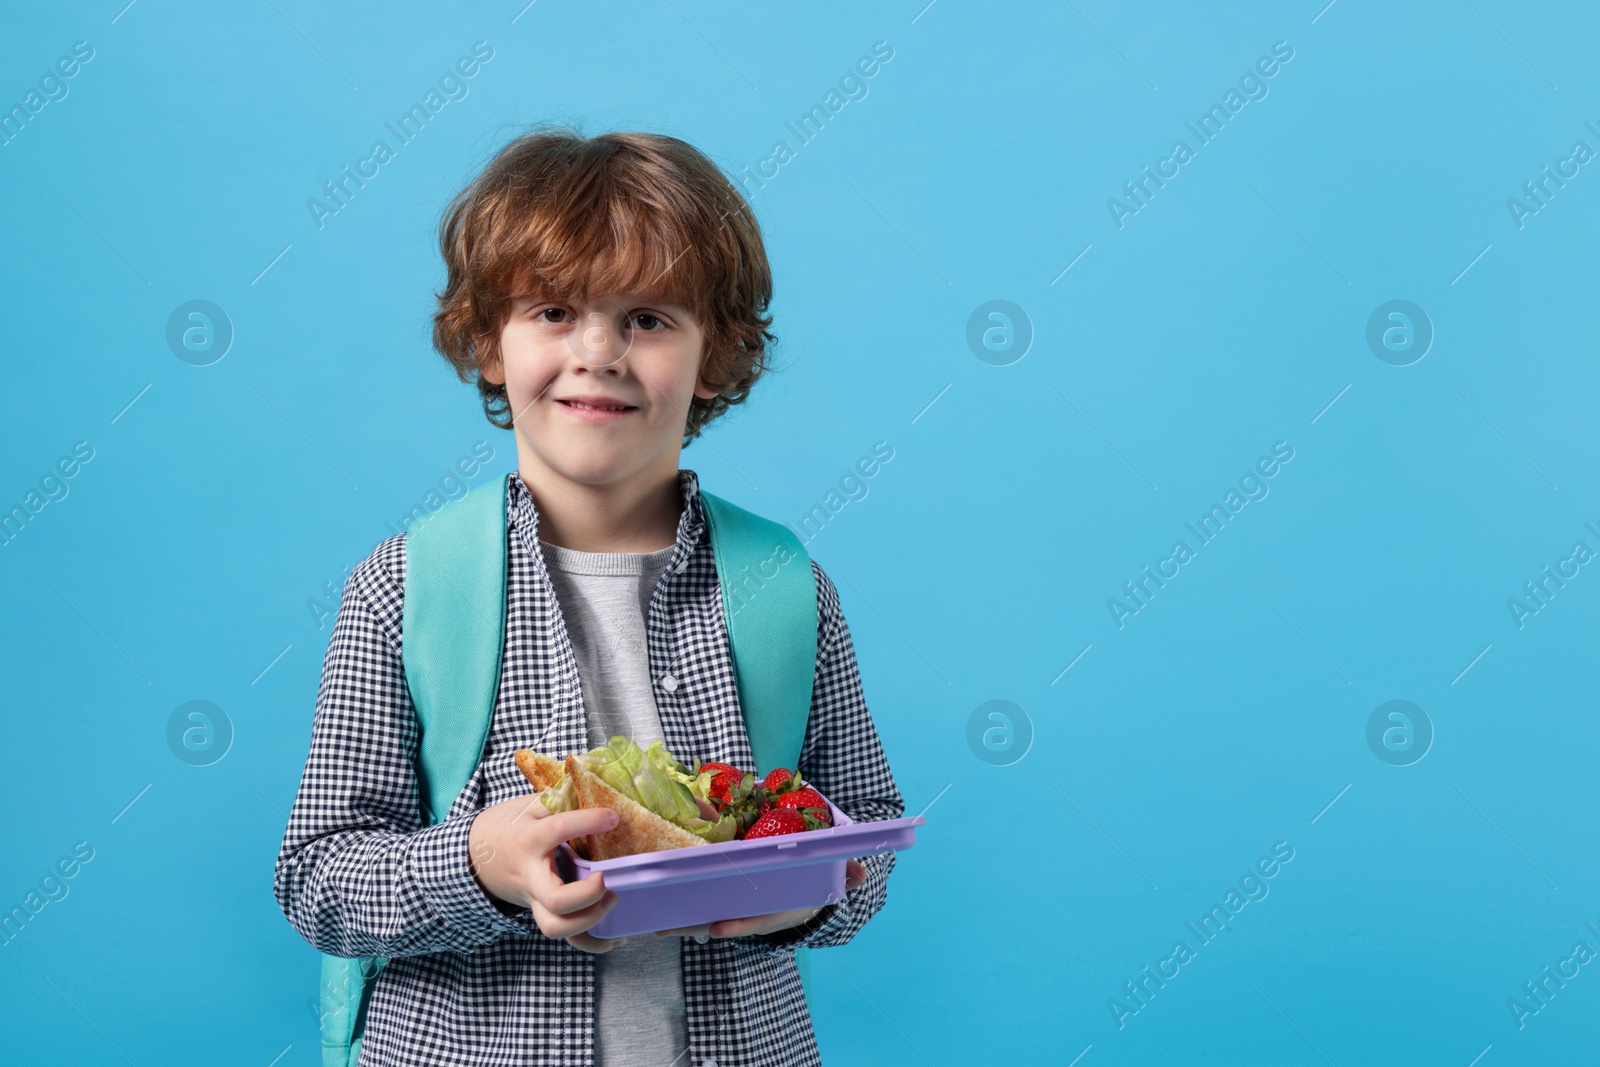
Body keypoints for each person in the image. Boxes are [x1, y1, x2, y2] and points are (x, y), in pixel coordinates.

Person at [272, 124, 905, 1067]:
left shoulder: (785, 587)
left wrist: (813, 890)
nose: (599, 351)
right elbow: (319, 880)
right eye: (554, 311)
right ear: (488, 339)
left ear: (714, 356)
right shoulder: (405, 587)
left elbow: (864, 839)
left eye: (649, 318)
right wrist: (481, 865)